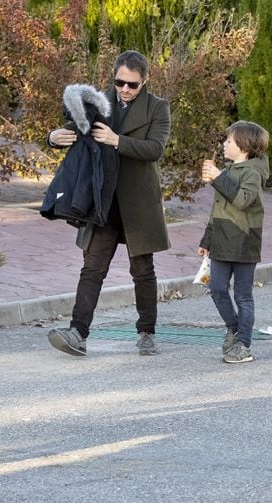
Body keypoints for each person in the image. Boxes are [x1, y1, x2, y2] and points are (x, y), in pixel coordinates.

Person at [46, 50, 171, 357]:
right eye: (120, 82)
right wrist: (53, 137)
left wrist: (118, 141)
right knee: (92, 268)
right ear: (113, 76)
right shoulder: (98, 102)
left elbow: (155, 148)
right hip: (102, 202)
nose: (125, 89)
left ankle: (147, 332)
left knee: (142, 270)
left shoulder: (158, 107)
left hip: (138, 203)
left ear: (144, 81)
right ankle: (78, 333)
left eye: (132, 84)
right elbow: (72, 129)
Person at [198, 120, 270, 364]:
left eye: (229, 141)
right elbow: (217, 209)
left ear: (244, 146)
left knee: (243, 295)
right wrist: (207, 239)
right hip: (221, 240)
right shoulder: (228, 170)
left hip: (244, 241)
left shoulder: (254, 173)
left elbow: (242, 200)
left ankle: (243, 344)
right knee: (217, 288)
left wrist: (218, 176)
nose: (224, 144)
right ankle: (234, 328)